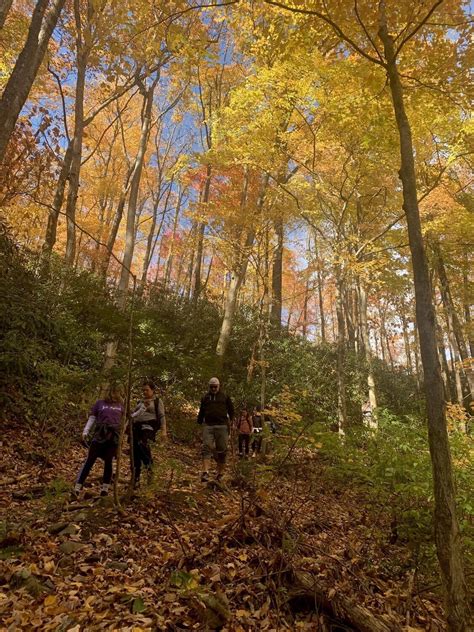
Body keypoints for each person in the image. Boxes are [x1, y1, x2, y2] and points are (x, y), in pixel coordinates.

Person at [72, 384, 124, 499]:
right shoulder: (100, 403)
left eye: (118, 391)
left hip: (113, 436)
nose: (115, 394)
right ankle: (77, 487)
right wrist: (86, 431)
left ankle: (105, 489)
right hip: (100, 434)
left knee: (109, 461)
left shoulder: (121, 405)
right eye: (113, 391)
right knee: (90, 459)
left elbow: (128, 418)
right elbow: (92, 418)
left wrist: (142, 409)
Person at [197, 377, 234, 482]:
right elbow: (202, 410)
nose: (213, 389)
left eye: (215, 387)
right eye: (211, 387)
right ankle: (205, 472)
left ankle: (220, 474)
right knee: (206, 447)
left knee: (222, 449)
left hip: (222, 426)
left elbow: (231, 410)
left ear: (219, 386)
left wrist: (232, 422)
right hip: (208, 425)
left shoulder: (225, 397)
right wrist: (199, 422)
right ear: (209, 387)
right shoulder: (205, 397)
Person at [131, 380, 166, 487]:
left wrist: (164, 431)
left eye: (147, 390)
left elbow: (161, 416)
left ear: (152, 390)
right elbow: (133, 415)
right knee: (135, 451)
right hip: (136, 428)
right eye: (143, 390)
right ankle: (135, 478)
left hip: (149, 427)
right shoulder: (139, 402)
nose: (145, 392)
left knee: (143, 445)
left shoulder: (157, 401)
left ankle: (150, 468)